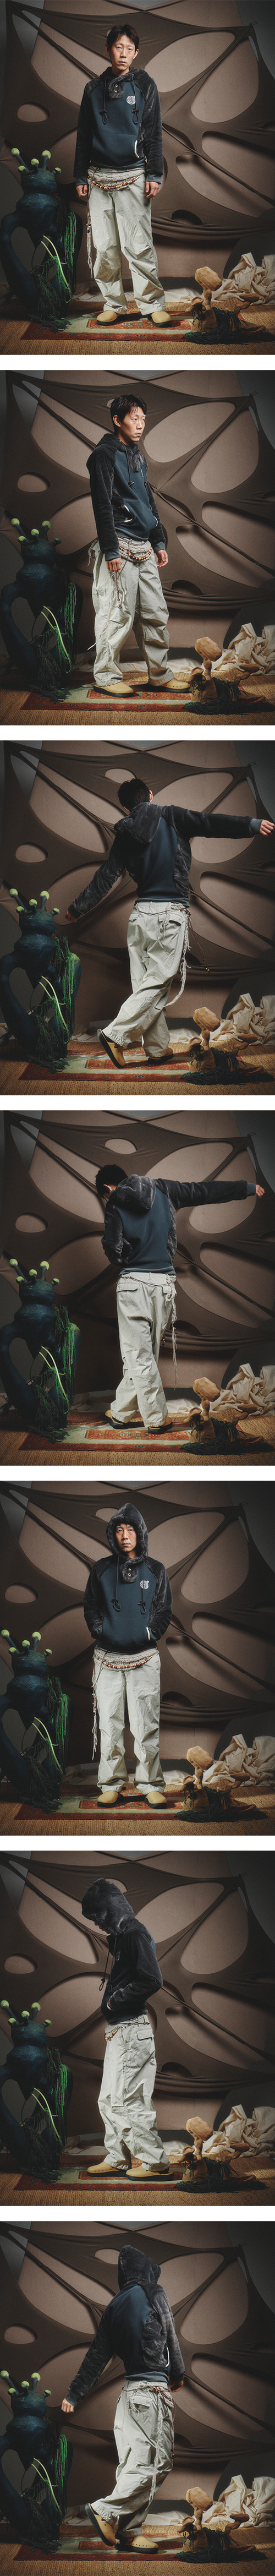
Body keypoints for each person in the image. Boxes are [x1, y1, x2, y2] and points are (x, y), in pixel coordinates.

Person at [67, 782, 274, 1066]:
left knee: (147, 989)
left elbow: (106, 875)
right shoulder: (172, 816)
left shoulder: (124, 834)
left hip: (139, 918)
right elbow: (209, 823)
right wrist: (250, 825)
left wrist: (77, 908)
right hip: (169, 915)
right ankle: (115, 1035)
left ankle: (157, 1049)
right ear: (151, 795)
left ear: (126, 808)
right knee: (155, 986)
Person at [95, 1160, 263, 1437]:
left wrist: (129, 1257)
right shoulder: (165, 1189)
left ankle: (156, 1419)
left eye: (105, 1195)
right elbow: (204, 1191)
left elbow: (113, 1249)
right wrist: (245, 1188)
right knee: (143, 1356)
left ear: (108, 1188)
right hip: (164, 1287)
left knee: (139, 1356)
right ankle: (121, 1412)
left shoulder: (114, 1202)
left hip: (134, 1287)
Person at [61, 2237, 184, 2542]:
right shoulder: (155, 2292)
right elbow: (170, 2332)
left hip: (129, 2396)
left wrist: (74, 2394)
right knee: (157, 2463)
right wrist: (178, 2373)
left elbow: (97, 2356)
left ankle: (129, 2532)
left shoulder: (114, 2306)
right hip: (151, 2394)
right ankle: (104, 2511)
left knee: (133, 2466)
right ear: (148, 2272)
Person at [74, 20, 168, 331]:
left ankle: (152, 305)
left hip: (134, 175)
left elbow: (154, 131)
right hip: (98, 177)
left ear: (136, 53)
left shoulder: (146, 85)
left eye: (129, 48)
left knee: (139, 244)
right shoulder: (92, 89)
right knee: (104, 247)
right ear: (108, 49)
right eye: (118, 47)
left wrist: (155, 173)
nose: (124, 53)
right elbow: (84, 135)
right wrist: (80, 176)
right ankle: (114, 305)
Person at [77, 1877, 169, 2179]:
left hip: (131, 2030)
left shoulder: (135, 1934)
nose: (96, 1923)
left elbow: (151, 1979)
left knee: (131, 2100)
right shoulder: (123, 1937)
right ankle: (118, 2158)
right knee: (109, 2100)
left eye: (97, 1916)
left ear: (111, 1908)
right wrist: (114, 1937)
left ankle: (156, 2164)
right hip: (120, 2031)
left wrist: (115, 2000)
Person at [86, 391, 177, 699]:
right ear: (117, 420)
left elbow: (148, 501)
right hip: (119, 546)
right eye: (134, 419)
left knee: (155, 613)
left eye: (143, 419)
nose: (140, 425)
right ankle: (106, 677)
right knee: (117, 614)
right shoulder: (103, 455)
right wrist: (111, 549)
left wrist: (159, 540)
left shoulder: (138, 456)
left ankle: (160, 676)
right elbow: (102, 504)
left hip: (144, 545)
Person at [83, 1496, 172, 1805]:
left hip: (144, 1658)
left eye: (130, 1530)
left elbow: (164, 1611)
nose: (125, 1536)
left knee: (146, 1724)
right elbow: (91, 1606)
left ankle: (150, 1784)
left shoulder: (157, 1570)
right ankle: (111, 1782)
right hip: (107, 1658)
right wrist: (102, 1630)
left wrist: (147, 1633)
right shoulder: (101, 1569)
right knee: (110, 1724)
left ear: (140, 1533)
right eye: (119, 1530)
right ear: (113, 1534)